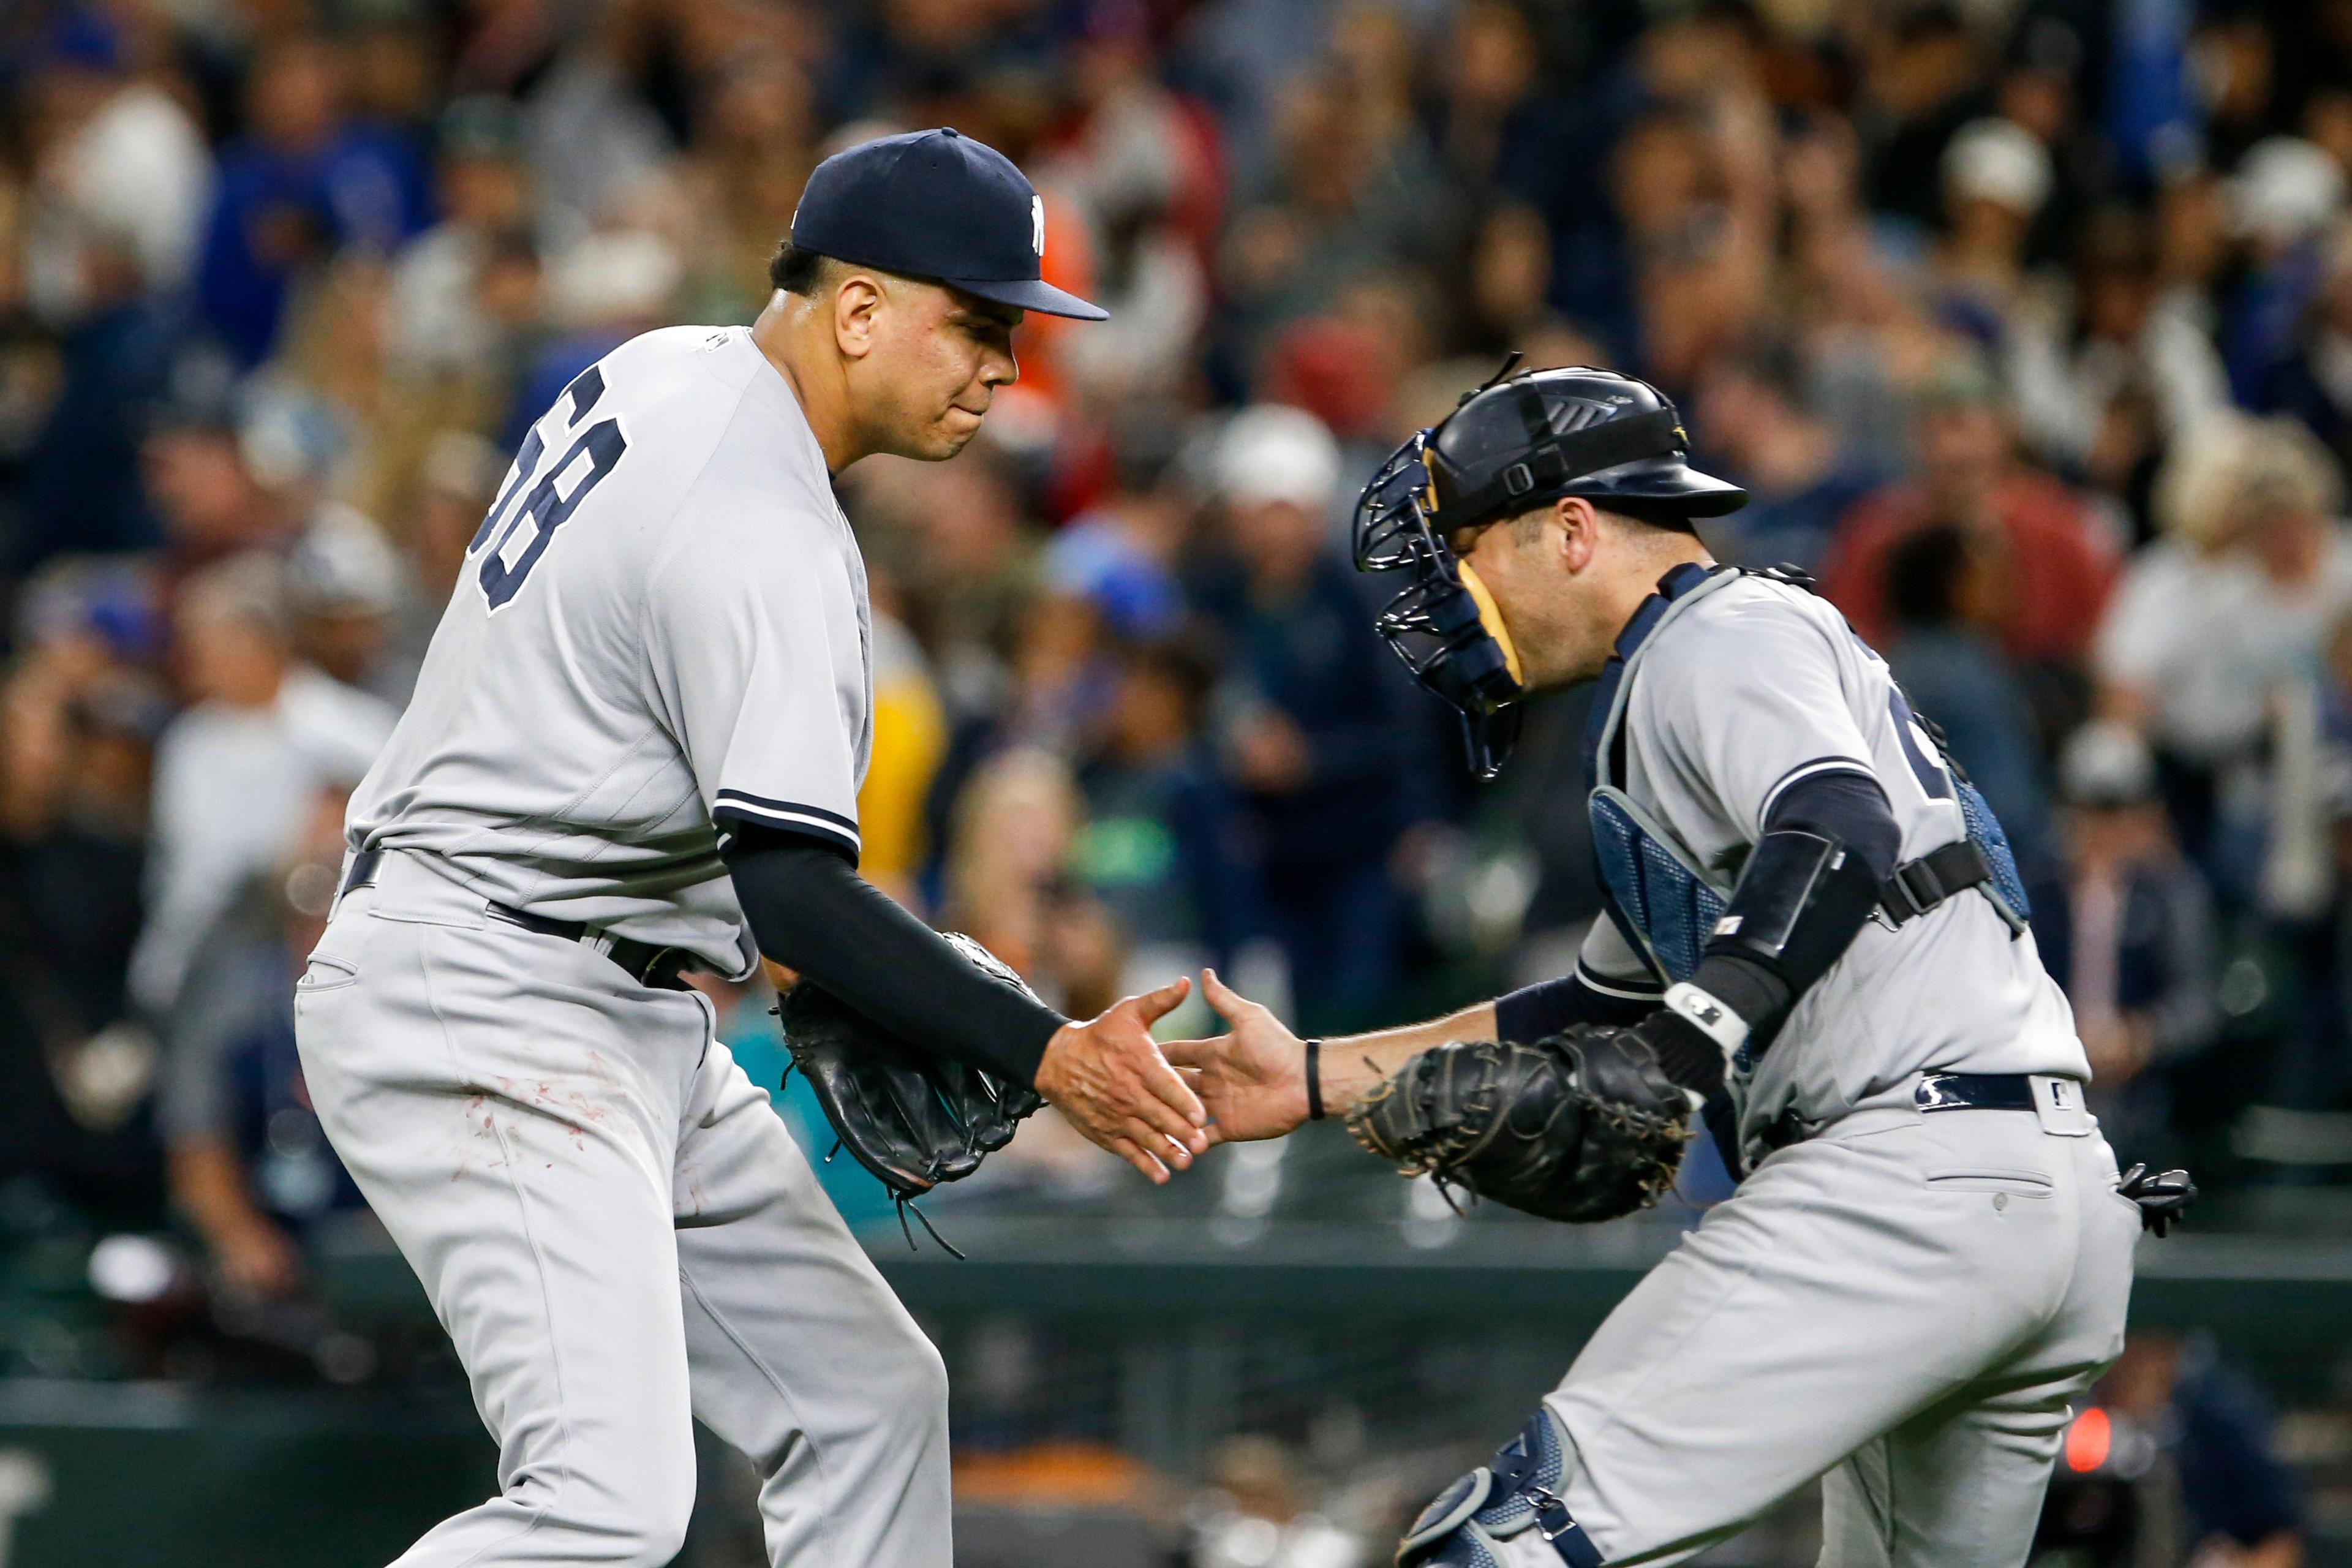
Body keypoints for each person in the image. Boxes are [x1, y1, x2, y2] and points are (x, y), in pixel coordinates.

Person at [293, 130, 1208, 1568]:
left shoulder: (671, 365)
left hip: (586, 982)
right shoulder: (759, 517)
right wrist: (1049, 1049)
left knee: (871, 1402)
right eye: (977, 323)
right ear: (858, 309)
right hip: (490, 990)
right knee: (604, 1502)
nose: (1003, 369)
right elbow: (787, 884)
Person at [1170, 366, 2139, 1566]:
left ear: (1573, 529)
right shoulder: (1718, 666)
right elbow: (1587, 1005)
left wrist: (1688, 1049)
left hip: (1904, 1180)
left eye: (1472, 552)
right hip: (2038, 1184)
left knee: (1501, 1546)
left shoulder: (1714, 634)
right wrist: (1317, 1076)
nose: (1454, 596)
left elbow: (1838, 826)